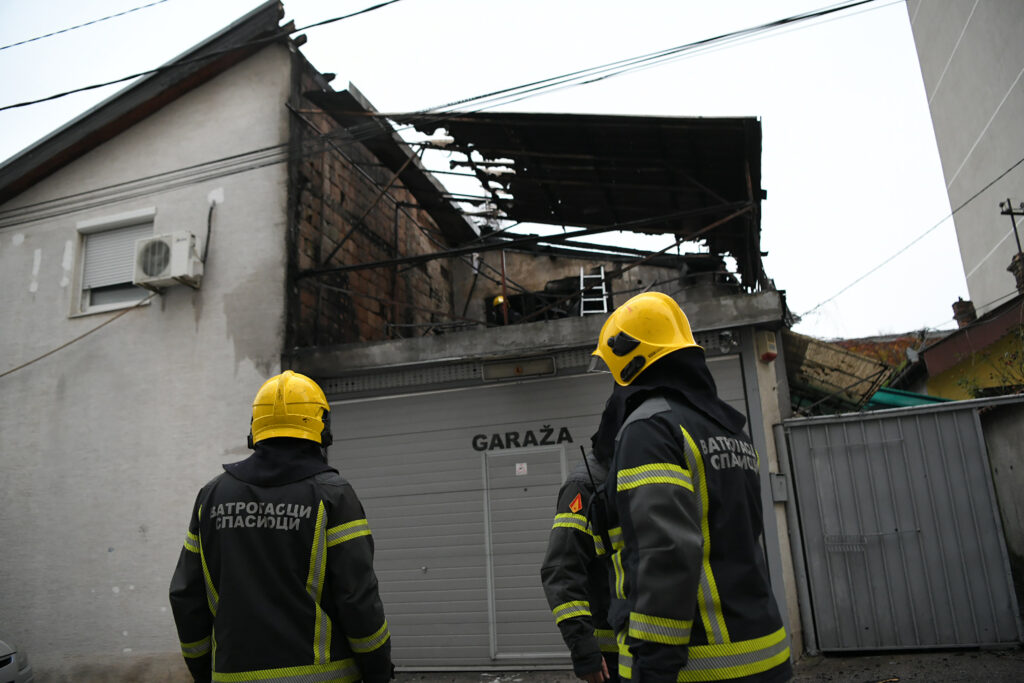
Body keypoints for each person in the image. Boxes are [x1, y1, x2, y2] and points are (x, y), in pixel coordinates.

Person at [590, 292, 792, 683]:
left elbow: (664, 553)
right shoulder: (727, 428)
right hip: (765, 652)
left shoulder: (650, 429)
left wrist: (652, 668)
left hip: (702, 667)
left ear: (628, 357)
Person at [169, 370, 393, 683]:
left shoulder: (212, 496)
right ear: (322, 426)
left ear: (255, 427)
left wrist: (204, 670)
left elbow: (186, 596)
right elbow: (357, 597)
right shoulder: (332, 495)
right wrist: (378, 669)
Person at [540, 441, 618, 683]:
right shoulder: (586, 484)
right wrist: (584, 648)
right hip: (615, 655)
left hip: (665, 651)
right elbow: (562, 570)